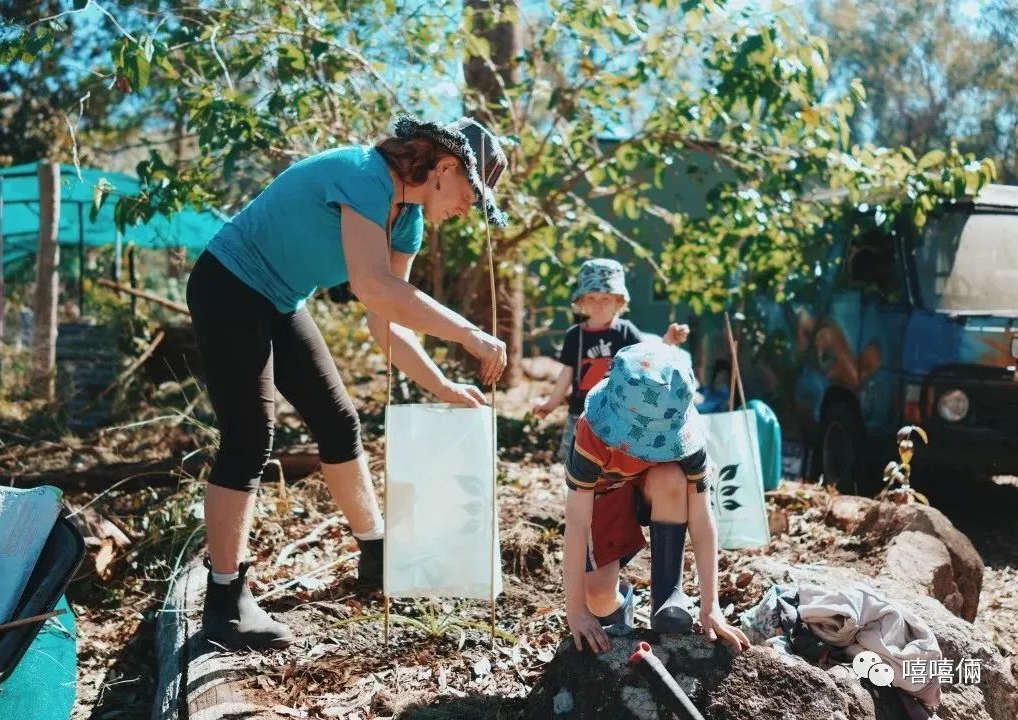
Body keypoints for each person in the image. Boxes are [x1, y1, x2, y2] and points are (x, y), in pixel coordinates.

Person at [185, 114, 509, 649]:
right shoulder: (364, 173)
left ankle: (377, 554)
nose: (467, 208)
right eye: (470, 194)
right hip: (229, 283)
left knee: (339, 423)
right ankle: (224, 603)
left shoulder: (407, 221)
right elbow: (374, 286)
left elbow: (386, 319)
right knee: (248, 440)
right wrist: (470, 334)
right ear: (445, 166)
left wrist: (444, 389)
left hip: (280, 300)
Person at [560, 342, 750, 654]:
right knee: (597, 594)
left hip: (655, 488)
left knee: (671, 477)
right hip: (605, 495)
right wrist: (576, 610)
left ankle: (667, 598)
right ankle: (618, 611)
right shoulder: (590, 433)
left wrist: (710, 605)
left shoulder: (690, 445)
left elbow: (702, 520)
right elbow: (577, 523)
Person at [534, 258, 688, 461]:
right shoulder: (574, 335)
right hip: (580, 413)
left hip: (618, 414)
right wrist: (551, 403)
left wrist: (668, 341)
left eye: (605, 298)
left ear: (619, 301)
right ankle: (579, 492)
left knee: (615, 461)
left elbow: (648, 359)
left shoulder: (625, 332)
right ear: (580, 302)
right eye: (591, 298)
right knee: (575, 461)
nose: (598, 305)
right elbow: (567, 373)